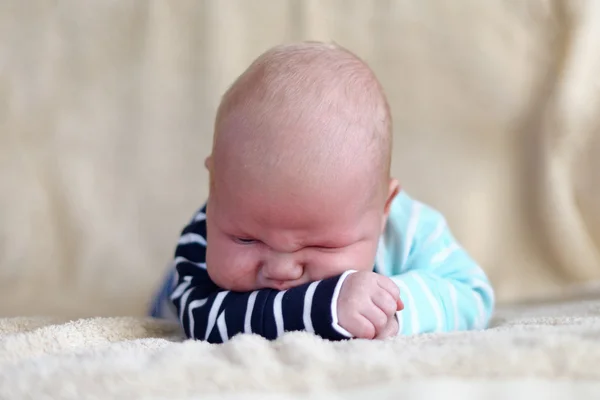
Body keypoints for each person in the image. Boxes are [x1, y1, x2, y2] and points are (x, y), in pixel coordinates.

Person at [148, 41, 495, 343]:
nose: (282, 270)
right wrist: (328, 304)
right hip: (173, 296)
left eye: (320, 245)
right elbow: (204, 320)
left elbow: (474, 294)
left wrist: (392, 305)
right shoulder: (202, 236)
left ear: (383, 209)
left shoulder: (410, 229)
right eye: (246, 239)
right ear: (216, 186)